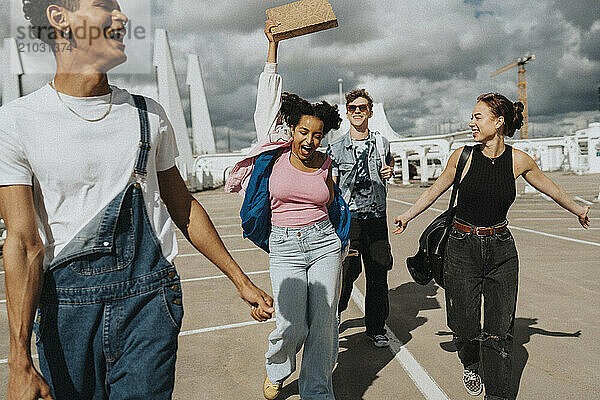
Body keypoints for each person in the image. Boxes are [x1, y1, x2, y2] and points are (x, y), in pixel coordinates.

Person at [0, 1, 273, 399]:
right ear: (60, 18)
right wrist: (19, 361)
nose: (123, 18)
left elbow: (184, 207)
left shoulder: (149, 116)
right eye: (105, 7)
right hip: (66, 316)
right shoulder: (16, 122)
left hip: (149, 304)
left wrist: (240, 279)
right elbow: (23, 243)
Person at [393, 92, 591, 400]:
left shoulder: (519, 160)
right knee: (465, 325)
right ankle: (471, 361)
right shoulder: (462, 156)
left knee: (500, 332)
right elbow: (435, 190)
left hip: (501, 250)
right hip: (461, 248)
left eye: (477, 117)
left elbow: (550, 187)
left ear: (498, 123)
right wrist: (408, 214)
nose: (471, 122)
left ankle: (497, 395)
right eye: (472, 116)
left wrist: (577, 209)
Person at [228, 19, 345, 400]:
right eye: (303, 132)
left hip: (323, 242)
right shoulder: (273, 151)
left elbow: (335, 205)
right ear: (290, 130)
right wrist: (273, 48)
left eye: (317, 135)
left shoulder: (328, 164)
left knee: (324, 324)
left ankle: (317, 390)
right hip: (285, 246)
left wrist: (346, 240)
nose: (310, 140)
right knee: (292, 324)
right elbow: (268, 96)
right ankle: (277, 367)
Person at [326, 89, 395, 347]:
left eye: (362, 107)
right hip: (349, 221)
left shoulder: (382, 143)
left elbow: (387, 168)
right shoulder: (335, 148)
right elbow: (332, 187)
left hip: (377, 217)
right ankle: (334, 315)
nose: (357, 111)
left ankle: (376, 328)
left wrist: (389, 171)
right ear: (347, 112)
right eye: (353, 107)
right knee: (346, 272)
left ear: (370, 112)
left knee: (378, 274)